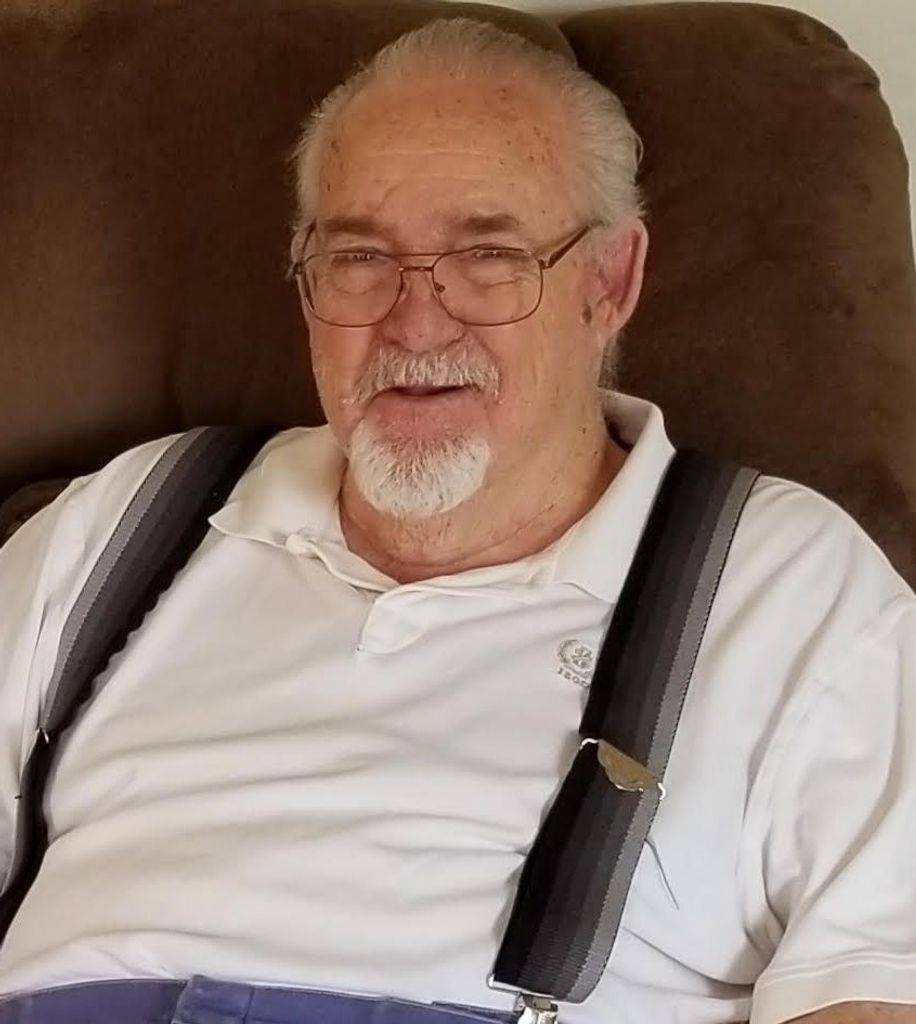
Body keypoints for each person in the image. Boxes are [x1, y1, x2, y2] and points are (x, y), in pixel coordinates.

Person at [0, 16, 914, 1024]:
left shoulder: (788, 586)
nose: (416, 319)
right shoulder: (128, 518)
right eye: (360, 256)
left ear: (609, 282)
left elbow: (875, 993)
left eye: (488, 255)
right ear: (305, 280)